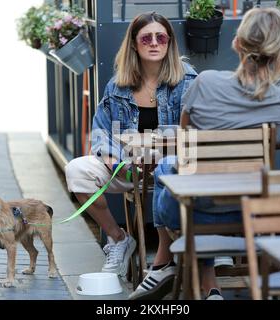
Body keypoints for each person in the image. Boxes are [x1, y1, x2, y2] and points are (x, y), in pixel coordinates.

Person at [130, 7, 280, 300]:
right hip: (251, 213)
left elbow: (185, 143)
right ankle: (206, 283)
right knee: (177, 173)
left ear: (237, 44)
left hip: (194, 213)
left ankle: (172, 266)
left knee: (170, 168)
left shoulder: (206, 82)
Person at [64, 12, 197, 277]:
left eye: (161, 37)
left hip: (174, 168)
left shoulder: (187, 80)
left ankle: (177, 255)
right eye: (146, 38)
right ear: (134, 44)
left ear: (169, 42)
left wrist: (152, 148)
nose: (154, 43)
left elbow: (193, 131)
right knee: (77, 170)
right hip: (128, 169)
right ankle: (119, 239)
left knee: (169, 167)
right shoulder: (118, 85)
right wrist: (112, 159)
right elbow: (101, 131)